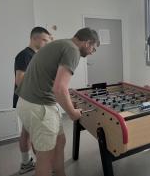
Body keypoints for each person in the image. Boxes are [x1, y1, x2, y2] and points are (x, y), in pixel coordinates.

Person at [16, 28, 100, 176]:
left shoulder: (61, 44)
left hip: (29, 103)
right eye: (94, 48)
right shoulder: (73, 50)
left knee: (60, 141)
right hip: (40, 107)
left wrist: (67, 95)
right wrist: (73, 113)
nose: (93, 52)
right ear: (87, 43)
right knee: (45, 157)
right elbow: (60, 89)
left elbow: (54, 80)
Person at [13, 27, 51, 174]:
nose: (47, 43)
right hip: (28, 101)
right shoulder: (25, 55)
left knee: (27, 132)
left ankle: (25, 163)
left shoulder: (34, 55)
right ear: (34, 38)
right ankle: (44, 167)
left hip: (27, 100)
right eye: (44, 40)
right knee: (37, 135)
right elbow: (19, 80)